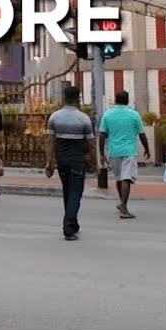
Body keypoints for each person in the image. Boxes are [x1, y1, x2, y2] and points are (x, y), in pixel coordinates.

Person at [44, 85, 98, 240]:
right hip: (77, 161)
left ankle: (73, 222)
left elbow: (50, 141)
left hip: (62, 160)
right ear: (78, 99)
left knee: (67, 191)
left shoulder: (54, 117)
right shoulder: (84, 119)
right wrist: (96, 163)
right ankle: (68, 227)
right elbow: (91, 144)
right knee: (75, 192)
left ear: (64, 98)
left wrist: (49, 163)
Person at [99, 90, 149, 219]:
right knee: (126, 178)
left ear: (115, 99)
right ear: (127, 100)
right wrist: (147, 148)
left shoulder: (108, 115)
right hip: (129, 151)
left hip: (114, 151)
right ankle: (124, 208)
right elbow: (142, 134)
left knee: (119, 178)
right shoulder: (134, 115)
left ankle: (122, 203)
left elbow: (102, 135)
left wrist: (101, 154)